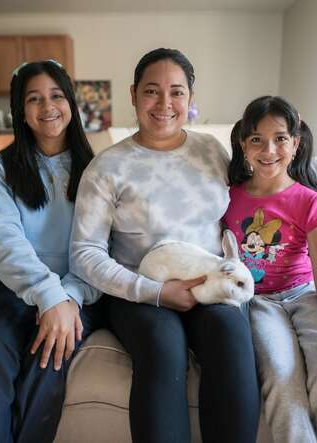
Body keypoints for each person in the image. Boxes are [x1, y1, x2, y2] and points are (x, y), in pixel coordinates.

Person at [70, 48, 260, 443]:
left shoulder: (212, 150)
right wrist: (155, 292)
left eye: (176, 92)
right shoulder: (107, 167)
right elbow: (84, 253)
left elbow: (249, 204)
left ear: (191, 99)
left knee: (230, 335)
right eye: (152, 91)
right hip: (136, 290)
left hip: (209, 283)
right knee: (163, 344)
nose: (164, 104)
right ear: (133, 94)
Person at [0, 60, 106, 443]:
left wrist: (67, 299)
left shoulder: (102, 168)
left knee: (47, 361)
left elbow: (105, 246)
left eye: (56, 95)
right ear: (20, 110)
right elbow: (4, 245)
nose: (47, 106)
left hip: (81, 291)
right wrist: (48, 296)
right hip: (17, 289)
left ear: (71, 101)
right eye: (34, 98)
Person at [224, 96, 317, 443]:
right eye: (257, 139)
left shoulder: (310, 202)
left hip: (305, 295)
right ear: (243, 144)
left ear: (296, 142)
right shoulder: (228, 198)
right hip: (258, 302)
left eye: (280, 138)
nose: (269, 150)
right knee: (279, 372)